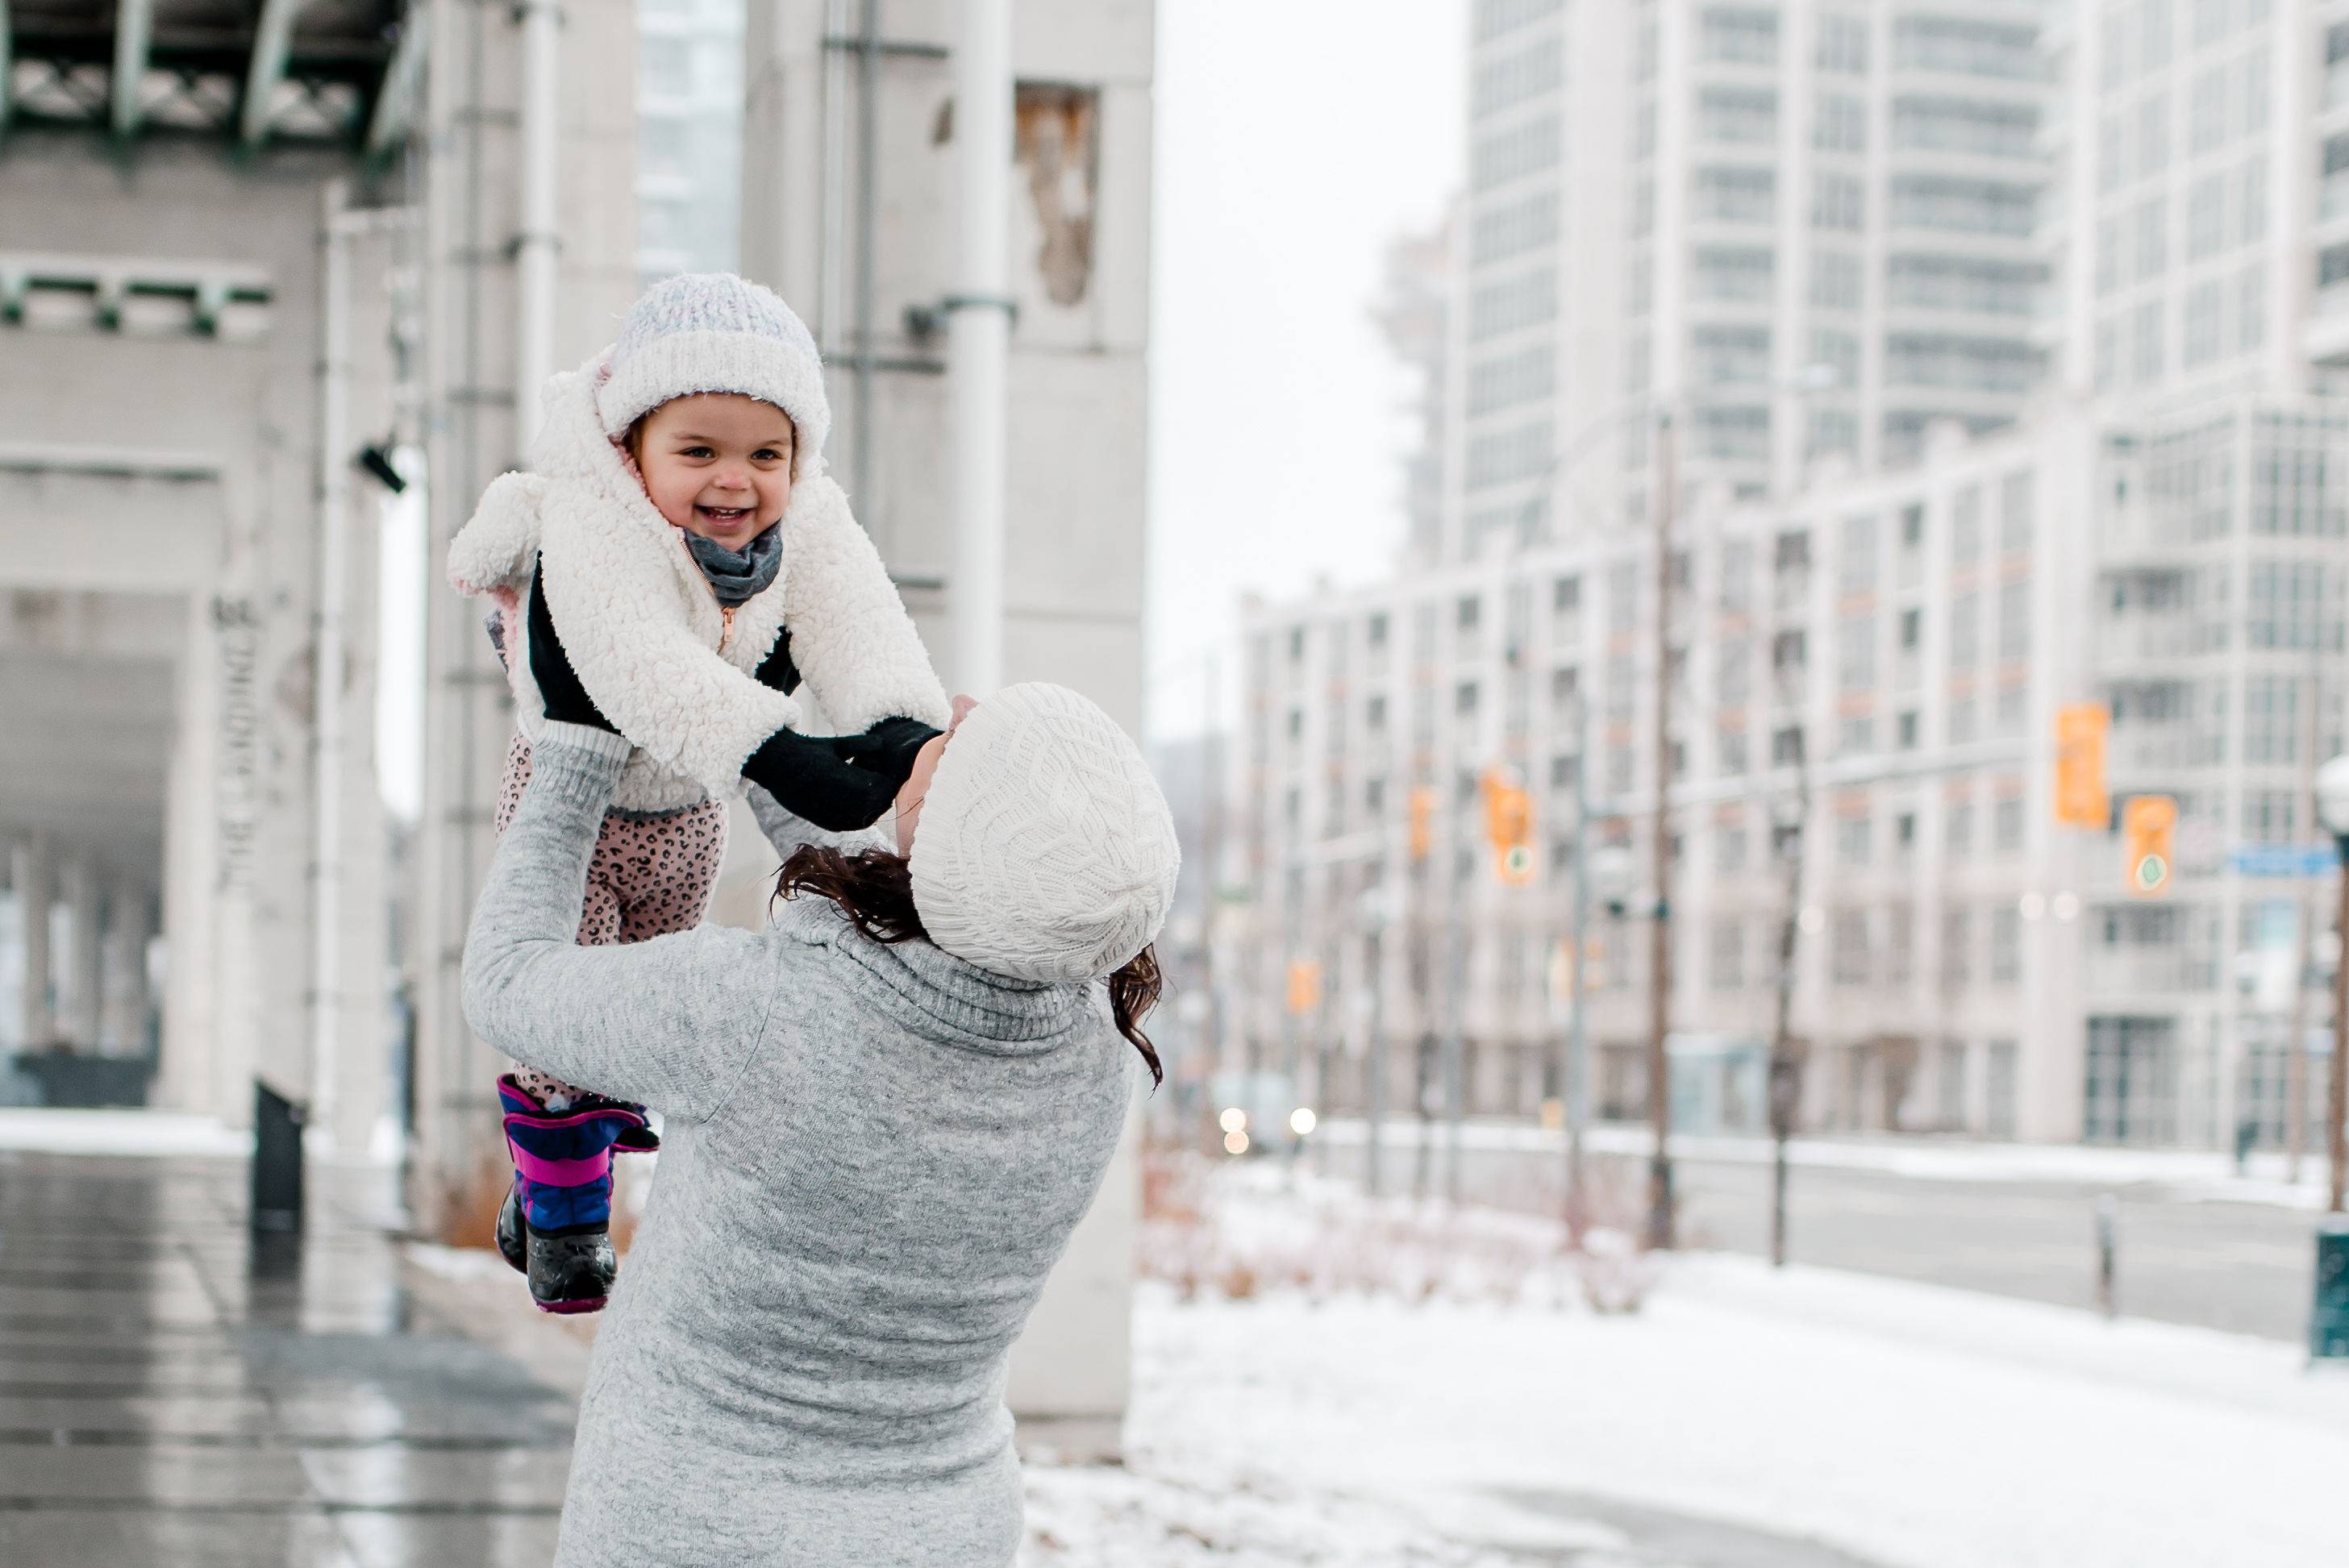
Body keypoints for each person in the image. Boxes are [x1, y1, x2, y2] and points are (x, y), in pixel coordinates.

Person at [462, 658, 1179, 1567]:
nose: (953, 709)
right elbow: (902, 926)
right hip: (943, 1535)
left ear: (950, 834)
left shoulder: (751, 1014)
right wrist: (760, 735)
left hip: (692, 1529)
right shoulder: (1097, 1063)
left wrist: (572, 749)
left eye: (965, 742)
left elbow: (506, 979)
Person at [448, 271, 950, 1312]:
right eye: (699, 452)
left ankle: (540, 1189)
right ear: (633, 452)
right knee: (561, 1010)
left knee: (636, 1023)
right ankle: (568, 1228)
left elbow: (859, 621)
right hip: (575, 800)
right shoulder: (596, 520)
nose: (735, 482)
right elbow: (642, 667)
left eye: (766, 454)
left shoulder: (805, 523)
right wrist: (788, 754)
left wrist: (903, 730)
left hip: (685, 820)